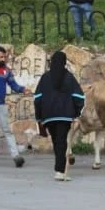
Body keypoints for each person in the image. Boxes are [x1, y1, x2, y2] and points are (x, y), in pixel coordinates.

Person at [33, 51, 85, 181]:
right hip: (65, 116)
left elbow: (37, 98)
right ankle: (60, 171)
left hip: (48, 116)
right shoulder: (69, 77)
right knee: (62, 142)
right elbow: (79, 96)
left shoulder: (45, 78)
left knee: (57, 142)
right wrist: (77, 112)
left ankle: (59, 168)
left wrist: (39, 117)